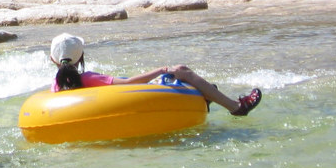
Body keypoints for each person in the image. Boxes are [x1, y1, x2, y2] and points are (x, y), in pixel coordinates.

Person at [47, 33, 262, 116]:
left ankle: (206, 96)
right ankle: (236, 107)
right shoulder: (89, 78)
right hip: (129, 105)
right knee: (180, 70)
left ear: (53, 60)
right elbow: (130, 83)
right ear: (81, 56)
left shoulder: (55, 88)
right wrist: (160, 70)